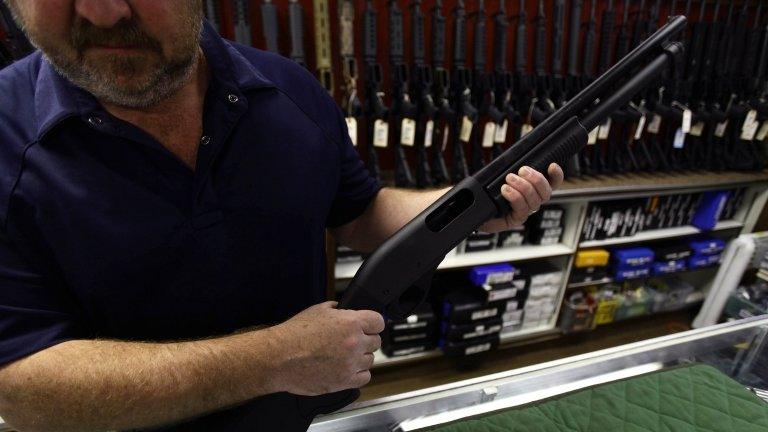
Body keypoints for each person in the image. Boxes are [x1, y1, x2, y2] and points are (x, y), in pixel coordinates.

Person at [0, 1, 564, 431]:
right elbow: (17, 386)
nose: (103, 10)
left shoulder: (289, 88)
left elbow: (360, 212)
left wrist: (473, 209)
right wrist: (273, 360)